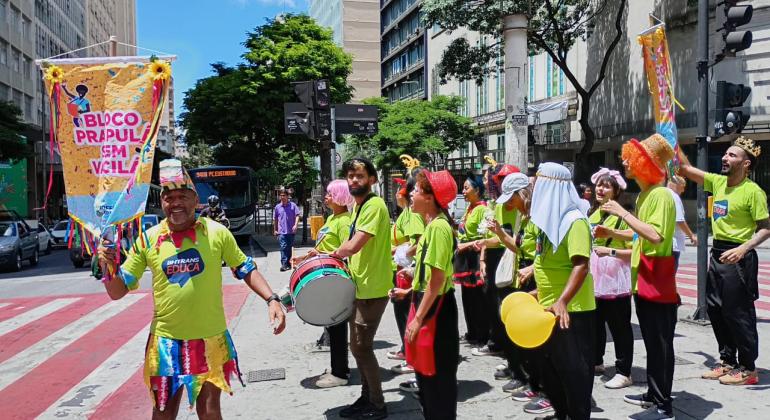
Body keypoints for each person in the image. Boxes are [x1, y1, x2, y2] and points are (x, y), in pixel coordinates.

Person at [96, 159, 286, 420]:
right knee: (162, 412)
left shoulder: (217, 233)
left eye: (182, 196)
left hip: (210, 340)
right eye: (169, 197)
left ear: (195, 199)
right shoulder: (148, 239)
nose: (176, 203)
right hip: (164, 343)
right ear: (162, 201)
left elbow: (245, 268)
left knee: (209, 412)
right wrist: (108, 266)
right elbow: (117, 291)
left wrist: (272, 299)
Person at [677, 136, 770, 386]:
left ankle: (748, 368)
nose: (725, 159)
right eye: (726, 154)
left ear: (746, 164)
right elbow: (684, 169)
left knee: (738, 313)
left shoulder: (753, 192)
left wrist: (743, 248)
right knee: (716, 310)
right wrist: (671, 141)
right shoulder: (718, 182)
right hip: (717, 254)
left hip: (738, 258)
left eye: (732, 155)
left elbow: (765, 228)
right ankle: (728, 361)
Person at [597, 134, 677, 420]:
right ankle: (654, 394)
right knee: (654, 344)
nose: (625, 162)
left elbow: (655, 236)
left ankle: (664, 407)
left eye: (631, 158)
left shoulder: (661, 195)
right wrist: (614, 234)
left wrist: (621, 212)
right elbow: (639, 235)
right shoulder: (646, 195)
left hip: (656, 279)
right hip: (643, 278)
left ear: (646, 163)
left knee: (660, 344)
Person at [526, 162, 595, 420]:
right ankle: (561, 413)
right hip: (548, 307)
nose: (534, 190)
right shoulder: (547, 222)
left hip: (572, 310)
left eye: (538, 184)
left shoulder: (574, 221)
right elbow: (546, 263)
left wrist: (563, 300)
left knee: (575, 373)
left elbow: (581, 265)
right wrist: (538, 292)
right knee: (551, 368)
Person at [487, 173, 554, 416]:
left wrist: (532, 268)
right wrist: (501, 234)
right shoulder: (525, 219)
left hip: (539, 284)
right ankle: (533, 383)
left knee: (543, 342)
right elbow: (520, 248)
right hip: (525, 282)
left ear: (521, 194)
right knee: (528, 340)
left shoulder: (541, 218)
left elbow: (549, 257)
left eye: (512, 198)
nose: (509, 204)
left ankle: (548, 391)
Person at [331, 158, 392, 420]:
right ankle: (367, 397)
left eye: (360, 176)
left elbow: (354, 245)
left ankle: (377, 404)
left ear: (372, 179)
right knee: (358, 347)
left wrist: (332, 254)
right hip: (360, 285)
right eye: (351, 176)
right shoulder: (359, 206)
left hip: (372, 288)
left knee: (361, 348)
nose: (354, 180)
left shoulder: (374, 205)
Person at [405, 169, 459, 420]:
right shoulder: (432, 225)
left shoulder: (438, 227)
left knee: (437, 379)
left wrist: (418, 319)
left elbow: (437, 280)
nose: (410, 194)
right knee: (427, 375)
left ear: (430, 197)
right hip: (429, 303)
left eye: (415, 190)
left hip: (436, 309)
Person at [291, 179, 354, 388]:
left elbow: (347, 250)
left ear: (339, 197)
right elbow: (324, 246)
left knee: (337, 325)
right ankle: (338, 367)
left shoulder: (345, 221)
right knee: (333, 324)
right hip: (326, 276)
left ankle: (340, 373)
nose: (325, 197)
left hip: (334, 279)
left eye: (329, 194)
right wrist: (306, 257)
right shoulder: (333, 218)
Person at [589, 168, 634, 390]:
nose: (601, 188)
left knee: (620, 327)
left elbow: (637, 248)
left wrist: (611, 250)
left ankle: (624, 371)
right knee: (595, 323)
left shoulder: (624, 215)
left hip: (615, 277)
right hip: (594, 276)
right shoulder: (592, 212)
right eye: (599, 184)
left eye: (607, 186)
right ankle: (596, 361)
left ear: (616, 191)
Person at [472, 163, 521, 358]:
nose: (491, 182)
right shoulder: (499, 204)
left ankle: (509, 352)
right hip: (496, 259)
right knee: (494, 306)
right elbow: (496, 234)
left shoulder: (519, 207)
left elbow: (504, 239)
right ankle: (500, 346)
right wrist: (483, 257)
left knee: (507, 308)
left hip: (510, 258)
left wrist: (481, 242)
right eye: (497, 180)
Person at [387, 172, 424, 377]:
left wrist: (399, 251)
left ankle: (412, 355)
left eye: (404, 190)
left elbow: (417, 243)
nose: (399, 194)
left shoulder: (413, 214)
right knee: (402, 313)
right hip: (400, 268)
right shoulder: (406, 213)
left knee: (407, 314)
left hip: (408, 270)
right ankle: (406, 350)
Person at [453, 173, 488, 348]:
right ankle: (472, 332)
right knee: (467, 299)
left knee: (478, 300)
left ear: (478, 189)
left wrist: (467, 244)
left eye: (466, 188)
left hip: (475, 257)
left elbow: (485, 237)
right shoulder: (470, 208)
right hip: (465, 257)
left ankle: (481, 334)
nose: (463, 191)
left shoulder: (482, 209)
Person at [666, 176, 697, 268]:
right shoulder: (674, 197)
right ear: (676, 184)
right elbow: (679, 220)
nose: (683, 190)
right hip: (673, 243)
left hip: (664, 242)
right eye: (683, 186)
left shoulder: (662, 194)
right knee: (670, 275)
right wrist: (692, 235)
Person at [273, 189, 300, 272]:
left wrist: (295, 225)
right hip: (281, 232)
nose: (282, 197)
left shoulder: (293, 205)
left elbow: (297, 215)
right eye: (281, 195)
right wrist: (275, 230)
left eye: (284, 195)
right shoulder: (278, 207)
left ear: (287, 196)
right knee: (283, 247)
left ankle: (289, 263)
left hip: (291, 231)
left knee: (289, 247)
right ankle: (284, 264)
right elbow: (275, 219)